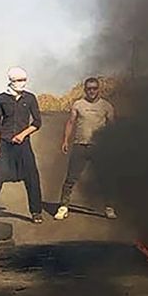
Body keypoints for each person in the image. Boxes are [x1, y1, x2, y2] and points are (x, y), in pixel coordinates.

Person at [0, 67, 44, 225]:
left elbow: (37, 122)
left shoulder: (30, 98)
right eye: (19, 80)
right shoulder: (1, 98)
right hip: (5, 144)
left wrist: (22, 135)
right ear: (12, 81)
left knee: (32, 177)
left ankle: (36, 211)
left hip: (23, 145)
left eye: (24, 80)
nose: (22, 83)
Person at [55, 77, 116, 220]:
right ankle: (63, 207)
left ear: (99, 89)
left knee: (105, 178)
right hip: (80, 146)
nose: (92, 91)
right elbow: (71, 122)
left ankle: (109, 207)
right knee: (71, 178)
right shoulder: (78, 104)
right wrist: (65, 140)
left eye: (94, 88)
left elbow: (112, 127)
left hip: (99, 148)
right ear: (85, 90)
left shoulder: (106, 106)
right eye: (89, 89)